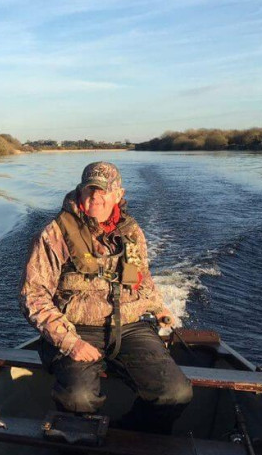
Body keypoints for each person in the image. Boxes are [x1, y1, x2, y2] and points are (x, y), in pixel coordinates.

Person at [20, 161, 192, 434]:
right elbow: (33, 296)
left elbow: (141, 277)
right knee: (79, 398)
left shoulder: (132, 231)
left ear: (118, 195)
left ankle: (132, 437)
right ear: (80, 191)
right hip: (77, 329)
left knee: (176, 392)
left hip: (131, 325)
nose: (96, 197)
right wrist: (70, 342)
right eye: (90, 190)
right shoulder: (54, 233)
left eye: (104, 191)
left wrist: (158, 307)